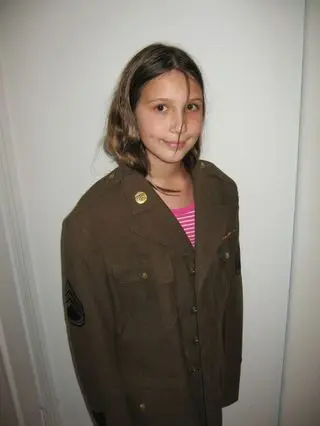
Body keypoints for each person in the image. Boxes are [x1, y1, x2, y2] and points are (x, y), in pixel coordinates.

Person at [61, 43, 243, 426]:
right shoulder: (92, 222)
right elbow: (92, 346)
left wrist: (226, 380)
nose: (179, 125)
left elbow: (231, 296)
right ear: (130, 113)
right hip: (146, 410)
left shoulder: (221, 192)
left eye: (191, 107)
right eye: (161, 107)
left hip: (207, 396)